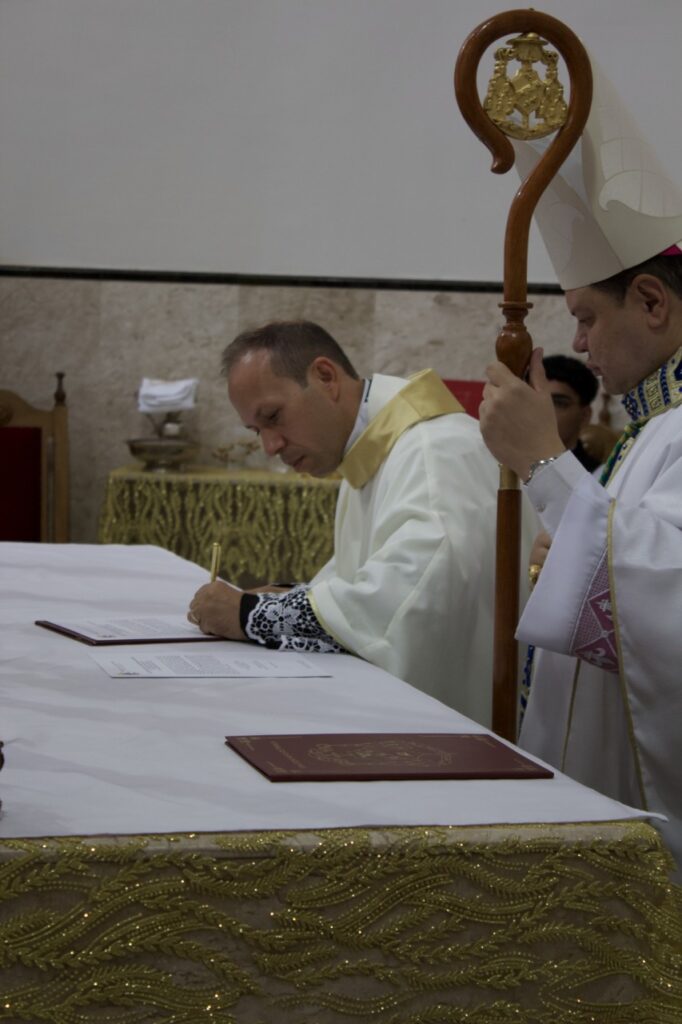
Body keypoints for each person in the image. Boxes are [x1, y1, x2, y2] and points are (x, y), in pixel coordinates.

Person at [479, 63, 682, 870]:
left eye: (588, 318)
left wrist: (545, 465)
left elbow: (669, 595)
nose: (584, 344)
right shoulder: (650, 429)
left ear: (654, 304)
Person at [188, 319, 506, 725]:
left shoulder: (433, 452)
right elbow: (362, 583)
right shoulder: (373, 452)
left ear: (325, 377)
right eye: (256, 431)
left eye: (273, 417)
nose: (270, 446)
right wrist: (281, 598)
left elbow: (410, 604)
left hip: (457, 730)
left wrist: (253, 615)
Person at [542, 354, 600, 471]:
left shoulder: (598, 478)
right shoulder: (502, 465)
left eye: (558, 403)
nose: (543, 411)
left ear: (584, 416)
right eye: (534, 401)